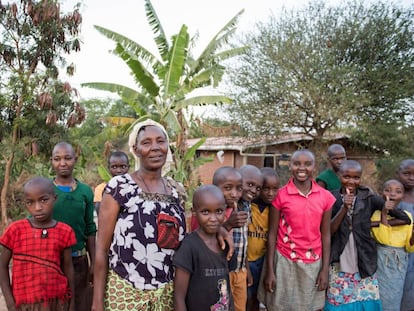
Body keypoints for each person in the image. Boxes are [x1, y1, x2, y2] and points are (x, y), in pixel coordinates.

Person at [92, 119, 233, 311]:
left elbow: (191, 238)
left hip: (167, 294)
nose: (155, 147)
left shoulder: (177, 191)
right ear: (136, 149)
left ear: (167, 146)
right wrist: (97, 302)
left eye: (161, 141)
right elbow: (101, 249)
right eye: (146, 142)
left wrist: (220, 230)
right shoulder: (119, 187)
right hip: (125, 292)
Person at [325, 160, 411, 310]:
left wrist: (373, 223)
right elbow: (329, 231)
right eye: (346, 176)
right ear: (339, 176)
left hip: (364, 259)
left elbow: (405, 219)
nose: (351, 181)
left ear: (361, 178)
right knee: (339, 301)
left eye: (356, 177)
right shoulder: (331, 198)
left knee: (365, 301)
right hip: (339, 258)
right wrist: (344, 208)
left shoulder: (368, 197)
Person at [260, 149, 335, 311]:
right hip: (283, 260)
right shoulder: (280, 195)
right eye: (296, 163)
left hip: (313, 263)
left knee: (309, 306)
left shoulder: (325, 197)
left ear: (315, 167)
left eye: (308, 164)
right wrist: (270, 270)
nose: (302, 168)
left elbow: (326, 234)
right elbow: (272, 234)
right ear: (290, 166)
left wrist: (324, 269)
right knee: (279, 306)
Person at [0, 177, 76, 311]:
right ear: (25, 204)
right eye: (30, 202)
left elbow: (68, 268)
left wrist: (72, 301)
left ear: (55, 198)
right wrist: (10, 302)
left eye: (43, 200)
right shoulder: (15, 230)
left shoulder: (65, 231)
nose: (38, 207)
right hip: (25, 303)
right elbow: (2, 266)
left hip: (57, 302)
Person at [51, 142, 96, 311]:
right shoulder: (45, 190)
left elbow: (90, 228)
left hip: (78, 261)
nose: (63, 163)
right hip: (52, 261)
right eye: (57, 159)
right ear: (52, 161)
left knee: (78, 304)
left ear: (75, 160)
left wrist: (93, 263)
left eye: (68, 158)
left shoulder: (85, 191)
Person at [173, 185, 235, 311]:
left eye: (218, 211)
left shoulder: (226, 244)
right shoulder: (189, 246)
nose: (213, 219)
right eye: (205, 212)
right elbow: (179, 296)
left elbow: (228, 288)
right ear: (194, 212)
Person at [370, 179, 414, 311]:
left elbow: (409, 247)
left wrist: (412, 238)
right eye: (388, 190)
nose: (393, 194)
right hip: (382, 260)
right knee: (380, 296)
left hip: (400, 262)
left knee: (394, 297)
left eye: (398, 192)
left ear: (403, 196)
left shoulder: (407, 216)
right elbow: (383, 239)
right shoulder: (376, 214)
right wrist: (384, 213)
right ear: (381, 193)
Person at [226, 164, 263, 311]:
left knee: (240, 306)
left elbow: (244, 242)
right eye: (250, 184)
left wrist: (246, 269)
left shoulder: (247, 206)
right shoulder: (227, 205)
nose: (253, 190)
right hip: (226, 269)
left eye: (258, 188)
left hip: (240, 270)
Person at [247, 168, 280, 311]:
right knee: (246, 296)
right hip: (247, 260)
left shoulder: (276, 209)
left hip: (264, 260)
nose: (270, 193)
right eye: (265, 189)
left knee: (258, 296)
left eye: (274, 189)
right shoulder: (248, 205)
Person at [191, 166, 244, 232]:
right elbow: (202, 238)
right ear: (215, 188)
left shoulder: (230, 208)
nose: (234, 194)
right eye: (227, 188)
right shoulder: (204, 208)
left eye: (239, 189)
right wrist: (228, 224)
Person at [397, 159, 414, 311]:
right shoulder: (394, 196)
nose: (411, 178)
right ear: (398, 174)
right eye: (406, 174)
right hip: (397, 251)